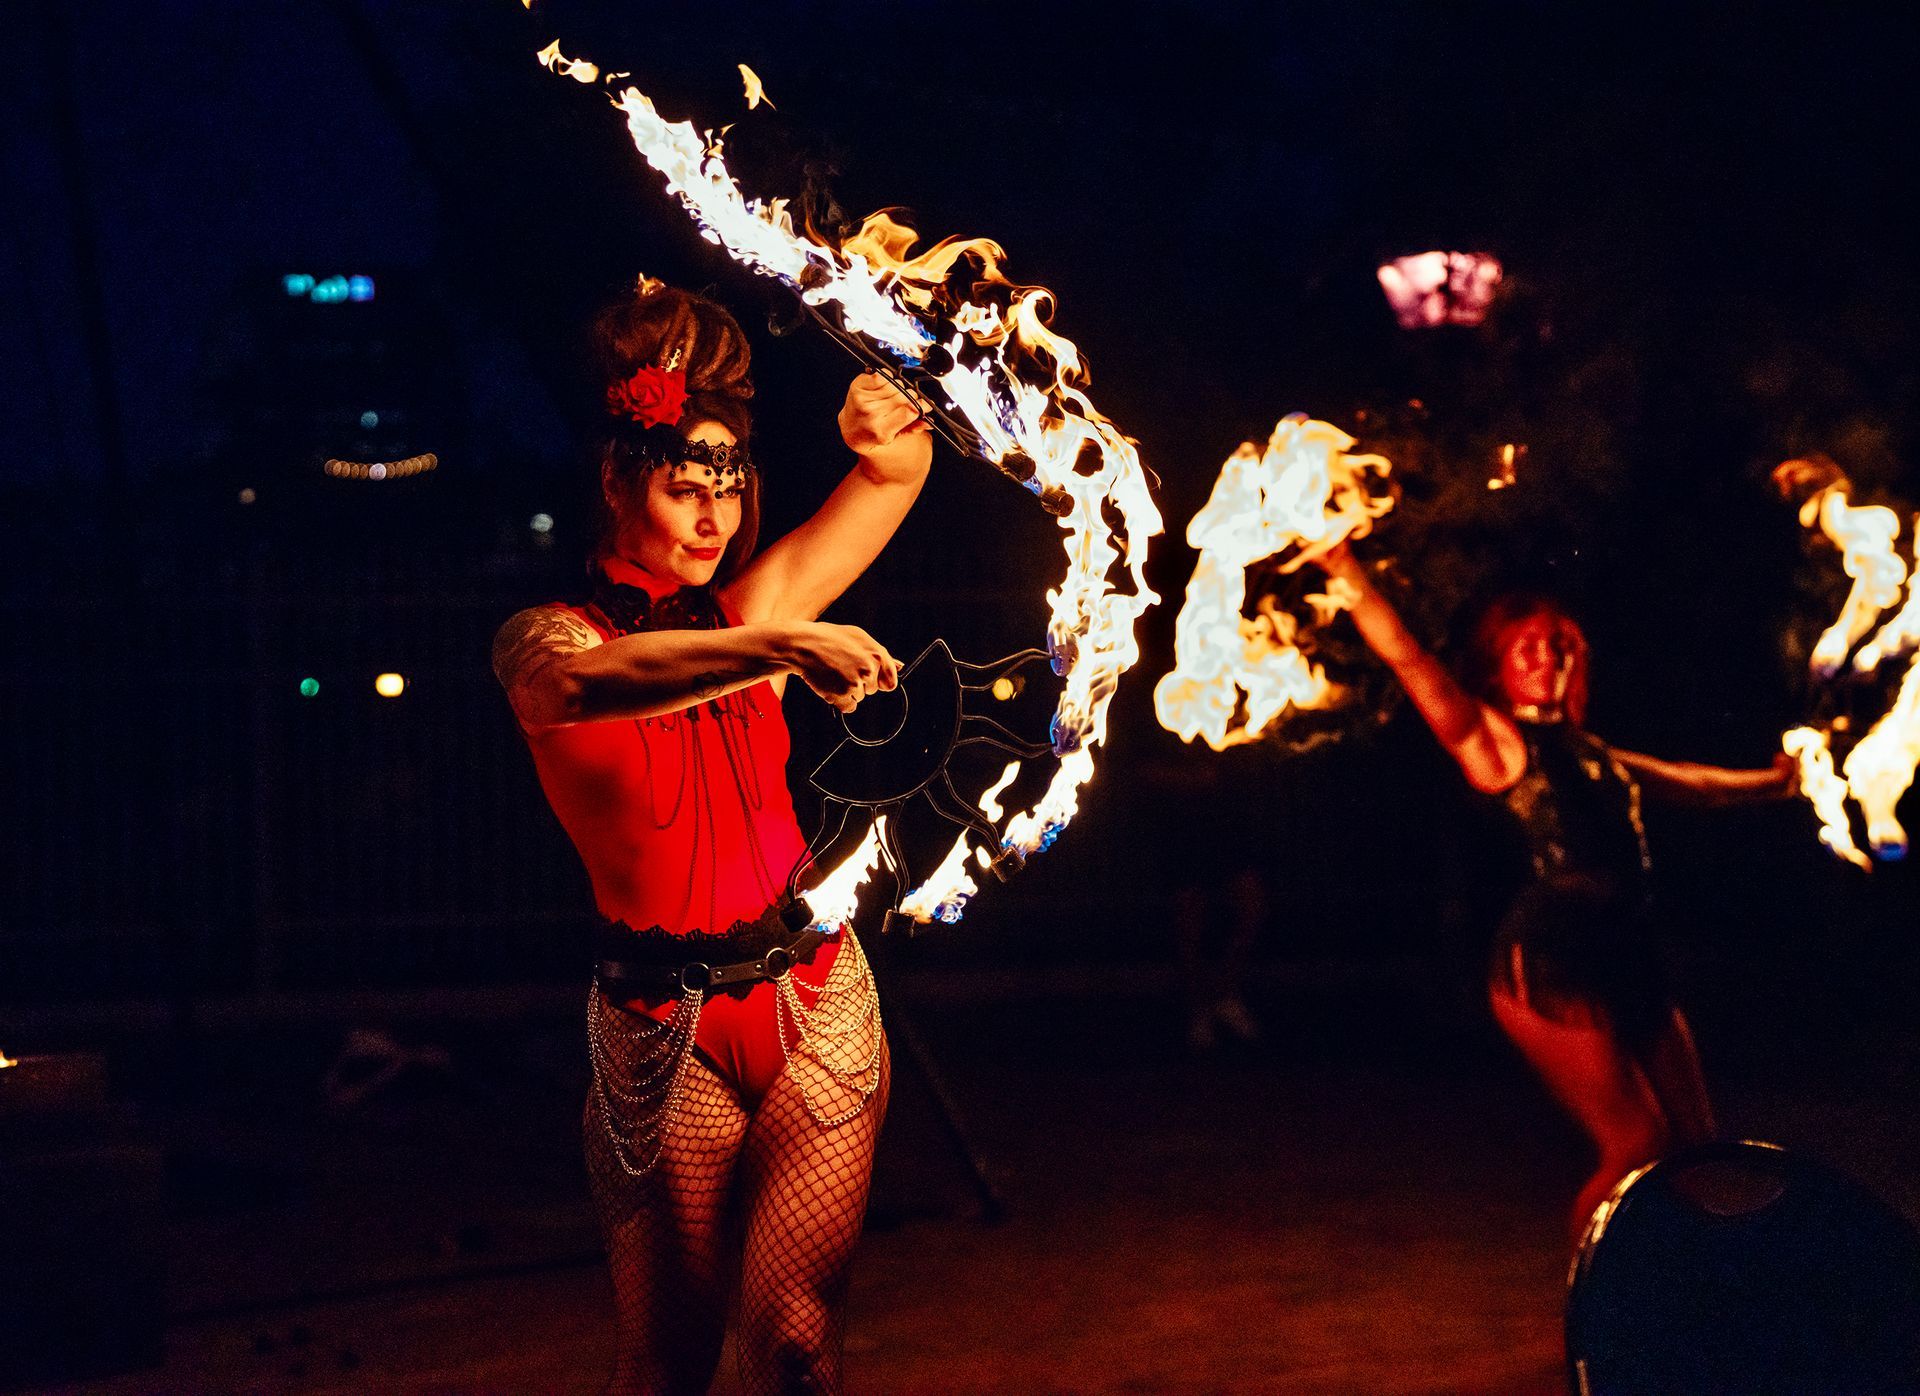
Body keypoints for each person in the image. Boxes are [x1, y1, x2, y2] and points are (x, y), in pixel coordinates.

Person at [491, 278, 931, 1393]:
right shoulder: (546, 635)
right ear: (614, 479)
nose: (712, 518)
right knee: (668, 1364)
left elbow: (894, 479)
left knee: (792, 1345)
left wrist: (888, 431)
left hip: (812, 997)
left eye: (728, 493)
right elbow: (583, 692)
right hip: (658, 1030)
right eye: (685, 487)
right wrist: (781, 647)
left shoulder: (753, 609)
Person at [1317, 541, 1794, 1240]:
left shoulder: (1593, 752)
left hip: (1627, 949)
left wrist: (1777, 782)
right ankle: (1589, 1314)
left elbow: (1694, 784)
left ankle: (1692, 1292)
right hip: (1551, 956)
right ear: (1500, 669)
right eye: (1526, 650)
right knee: (1636, 1142)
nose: (1546, 659)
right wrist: (1346, 574)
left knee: (1696, 1142)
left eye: (1555, 646)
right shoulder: (1496, 742)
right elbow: (1411, 663)